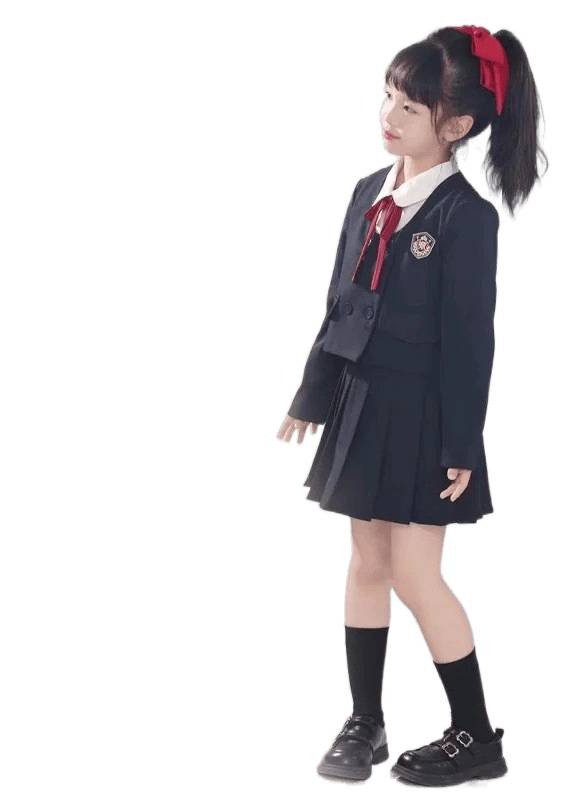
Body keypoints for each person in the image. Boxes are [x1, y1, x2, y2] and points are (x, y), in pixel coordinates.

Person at [276, 25, 547, 786]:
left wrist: (461, 443)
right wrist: (314, 393)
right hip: (362, 403)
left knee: (416, 575)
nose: (389, 116)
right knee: (367, 562)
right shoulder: (370, 191)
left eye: (411, 107)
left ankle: (475, 734)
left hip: (425, 414)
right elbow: (339, 301)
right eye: (388, 97)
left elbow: (470, 341)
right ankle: (365, 720)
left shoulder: (465, 218)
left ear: (454, 126)